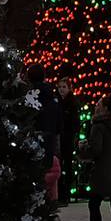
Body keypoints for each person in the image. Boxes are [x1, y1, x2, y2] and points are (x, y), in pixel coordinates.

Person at [24, 64, 63, 201]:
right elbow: (59, 126)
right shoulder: (52, 100)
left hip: (29, 145)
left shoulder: (26, 98)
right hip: (48, 145)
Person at [57, 77, 80, 204]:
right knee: (60, 165)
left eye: (64, 87)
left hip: (68, 137)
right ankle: (61, 193)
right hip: (61, 136)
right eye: (59, 87)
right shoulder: (58, 101)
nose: (61, 90)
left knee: (67, 165)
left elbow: (75, 123)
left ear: (69, 88)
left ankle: (65, 194)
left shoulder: (72, 103)